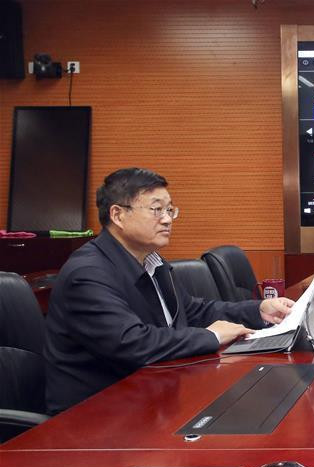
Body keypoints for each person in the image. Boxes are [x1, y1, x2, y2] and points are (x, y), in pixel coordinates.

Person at [44, 168, 295, 414]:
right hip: (95, 415)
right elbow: (132, 343)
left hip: (151, 396)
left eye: (169, 210)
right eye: (156, 210)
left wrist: (258, 310)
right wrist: (211, 336)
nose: (167, 219)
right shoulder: (87, 273)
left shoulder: (153, 262)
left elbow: (193, 311)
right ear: (118, 215)